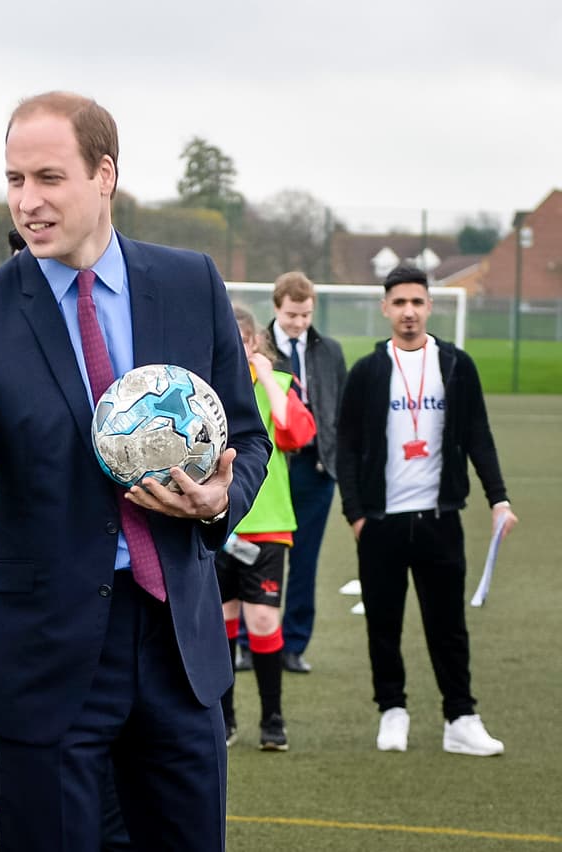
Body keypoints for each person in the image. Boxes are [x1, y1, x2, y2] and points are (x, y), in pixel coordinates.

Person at [0, 92, 271, 851]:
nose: (27, 202)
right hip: (46, 652)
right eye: (13, 180)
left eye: (48, 177)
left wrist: (219, 496)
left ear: (105, 175)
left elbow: (249, 438)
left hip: (178, 645)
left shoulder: (191, 282)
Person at [337, 263, 517, 757]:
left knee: (448, 627)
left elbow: (479, 435)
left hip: (440, 521)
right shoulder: (369, 371)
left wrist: (497, 498)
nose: (409, 312)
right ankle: (392, 711)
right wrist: (356, 513)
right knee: (384, 625)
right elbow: (346, 447)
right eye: (399, 303)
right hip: (380, 522)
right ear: (385, 309)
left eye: (417, 302)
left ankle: (460, 717)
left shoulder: (456, 365)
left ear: (430, 306)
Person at [217, 305, 315, 751]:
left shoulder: (280, 385)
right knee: (222, 622)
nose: (235, 352)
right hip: (217, 524)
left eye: (243, 343)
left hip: (268, 524)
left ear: (254, 344)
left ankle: (273, 719)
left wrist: (267, 378)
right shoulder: (203, 391)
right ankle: (224, 719)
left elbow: (296, 435)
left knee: (261, 619)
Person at [267, 271, 346, 674]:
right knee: (259, 557)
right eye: (292, 314)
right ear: (276, 307)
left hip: (316, 471)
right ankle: (250, 643)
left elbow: (340, 409)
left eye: (306, 314)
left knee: (305, 561)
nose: (299, 322)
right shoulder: (257, 351)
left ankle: (294, 645)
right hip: (271, 472)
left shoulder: (329, 351)